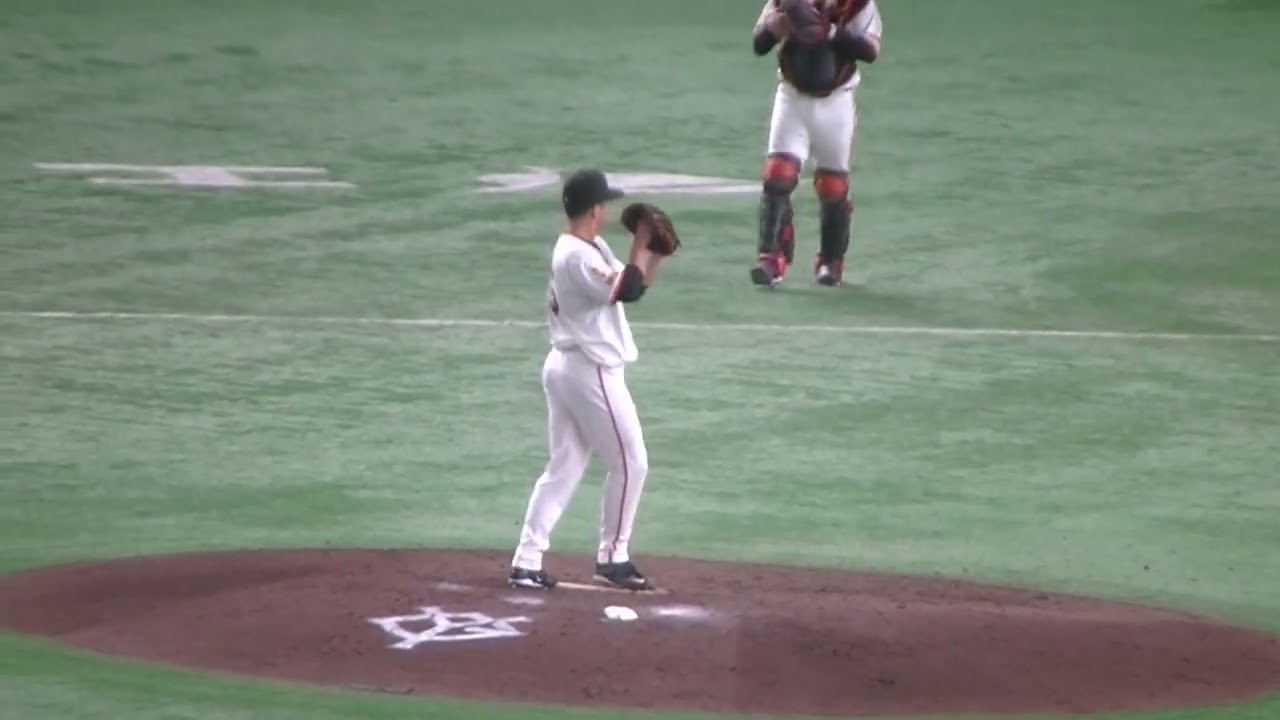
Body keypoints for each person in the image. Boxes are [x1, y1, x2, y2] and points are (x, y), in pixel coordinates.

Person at [508, 169, 667, 592]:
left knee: (563, 467)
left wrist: (651, 253)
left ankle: (526, 560)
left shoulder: (590, 246)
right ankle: (613, 558)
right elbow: (625, 290)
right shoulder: (575, 256)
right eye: (604, 204)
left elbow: (636, 285)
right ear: (594, 209)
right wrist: (641, 242)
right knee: (631, 463)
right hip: (589, 371)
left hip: (568, 366)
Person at [749, 0, 883, 288]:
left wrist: (831, 32)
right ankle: (771, 256)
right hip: (792, 97)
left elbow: (870, 51)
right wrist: (775, 28)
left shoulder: (857, 5)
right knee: (777, 173)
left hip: (836, 101)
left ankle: (831, 260)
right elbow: (759, 43)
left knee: (832, 186)